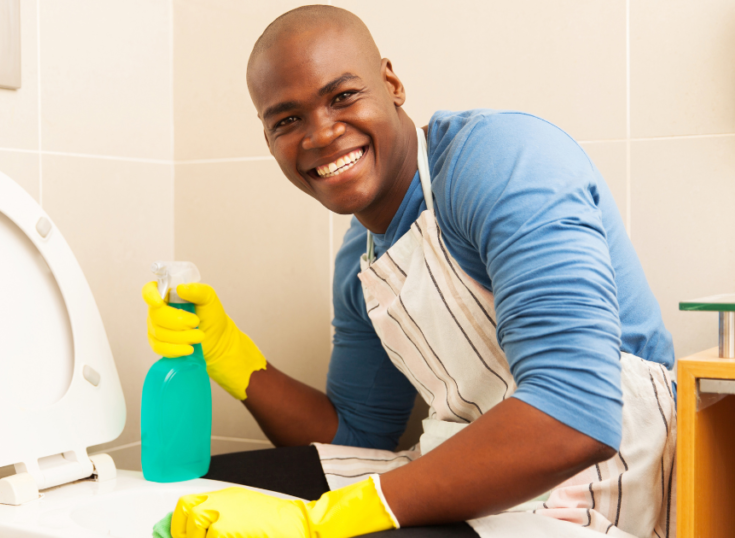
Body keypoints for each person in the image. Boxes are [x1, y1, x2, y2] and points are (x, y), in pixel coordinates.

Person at [142, 6, 676, 538]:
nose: (321, 134)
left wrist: (318, 523)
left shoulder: (501, 161)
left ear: (391, 83)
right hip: (459, 471)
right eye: (287, 120)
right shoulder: (362, 258)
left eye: (342, 96)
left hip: (597, 477)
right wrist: (232, 356)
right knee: (192, 503)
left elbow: (573, 412)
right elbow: (357, 438)